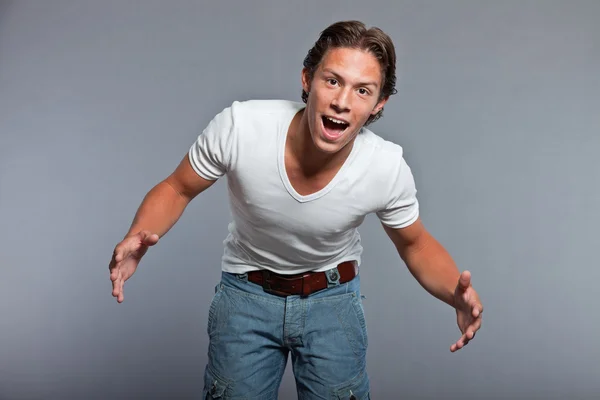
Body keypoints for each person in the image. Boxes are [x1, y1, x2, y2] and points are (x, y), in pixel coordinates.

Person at [109, 20, 483, 399]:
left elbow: (415, 244)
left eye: (363, 90)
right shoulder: (242, 127)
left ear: (378, 104)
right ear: (307, 79)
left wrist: (455, 293)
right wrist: (137, 234)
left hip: (332, 301)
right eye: (332, 80)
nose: (342, 101)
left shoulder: (385, 167)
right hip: (246, 296)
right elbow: (177, 187)